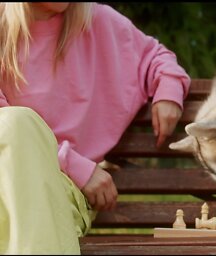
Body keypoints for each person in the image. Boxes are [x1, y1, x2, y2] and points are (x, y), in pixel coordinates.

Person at [0, 2, 191, 254]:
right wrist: (74, 165)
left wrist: (168, 91)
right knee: (15, 123)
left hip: (62, 189)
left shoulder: (96, 20)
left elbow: (156, 57)